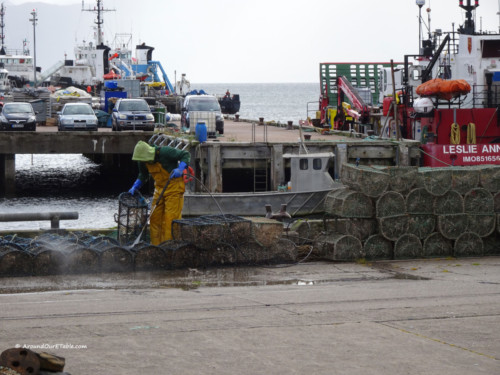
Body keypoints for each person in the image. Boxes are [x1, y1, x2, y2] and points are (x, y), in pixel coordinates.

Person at [128, 140, 191, 245]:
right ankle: (156, 248)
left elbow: (185, 154)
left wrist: (180, 169)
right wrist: (136, 185)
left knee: (171, 220)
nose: (145, 163)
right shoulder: (142, 160)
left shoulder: (165, 152)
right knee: (154, 219)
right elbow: (143, 175)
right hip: (159, 189)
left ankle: (169, 248)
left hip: (174, 188)